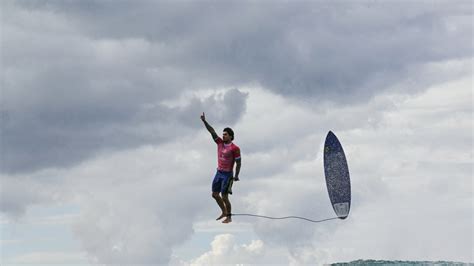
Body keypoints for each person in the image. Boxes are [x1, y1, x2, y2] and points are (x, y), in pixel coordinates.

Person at [201, 112, 241, 224]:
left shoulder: (235, 148)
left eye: (226, 134)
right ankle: (223, 211)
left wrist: (236, 175)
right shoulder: (219, 143)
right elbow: (212, 131)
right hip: (219, 172)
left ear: (231, 136)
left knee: (224, 197)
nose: (223, 136)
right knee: (214, 194)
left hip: (227, 175)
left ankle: (229, 216)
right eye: (223, 134)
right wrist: (204, 121)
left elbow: (239, 163)